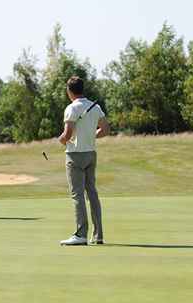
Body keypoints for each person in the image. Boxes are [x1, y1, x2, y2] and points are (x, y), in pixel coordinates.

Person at [58, 76, 110, 245]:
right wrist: (90, 135)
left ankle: (81, 234)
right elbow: (105, 130)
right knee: (92, 193)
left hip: (75, 156)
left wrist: (61, 139)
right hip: (91, 154)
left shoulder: (71, 108)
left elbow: (66, 135)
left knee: (77, 195)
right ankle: (98, 235)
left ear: (69, 91)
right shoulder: (95, 107)